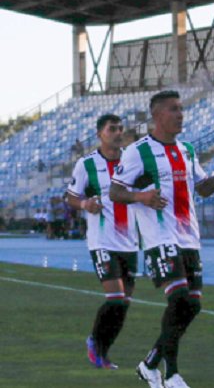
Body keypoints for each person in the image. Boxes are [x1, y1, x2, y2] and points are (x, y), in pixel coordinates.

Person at [110, 90, 214, 388]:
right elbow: (115, 191)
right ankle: (173, 374)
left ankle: (151, 364)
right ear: (157, 116)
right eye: (173, 109)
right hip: (159, 238)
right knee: (180, 300)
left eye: (181, 109)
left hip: (189, 238)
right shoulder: (138, 151)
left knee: (193, 305)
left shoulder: (187, 150)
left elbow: (202, 188)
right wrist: (140, 195)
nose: (181, 114)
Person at [66, 113, 138, 370]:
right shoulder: (86, 164)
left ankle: (102, 352)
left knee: (123, 305)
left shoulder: (132, 161)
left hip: (130, 243)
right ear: (100, 133)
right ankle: (94, 343)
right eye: (112, 129)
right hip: (102, 242)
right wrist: (85, 203)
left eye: (120, 128)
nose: (118, 133)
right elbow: (71, 196)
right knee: (116, 298)